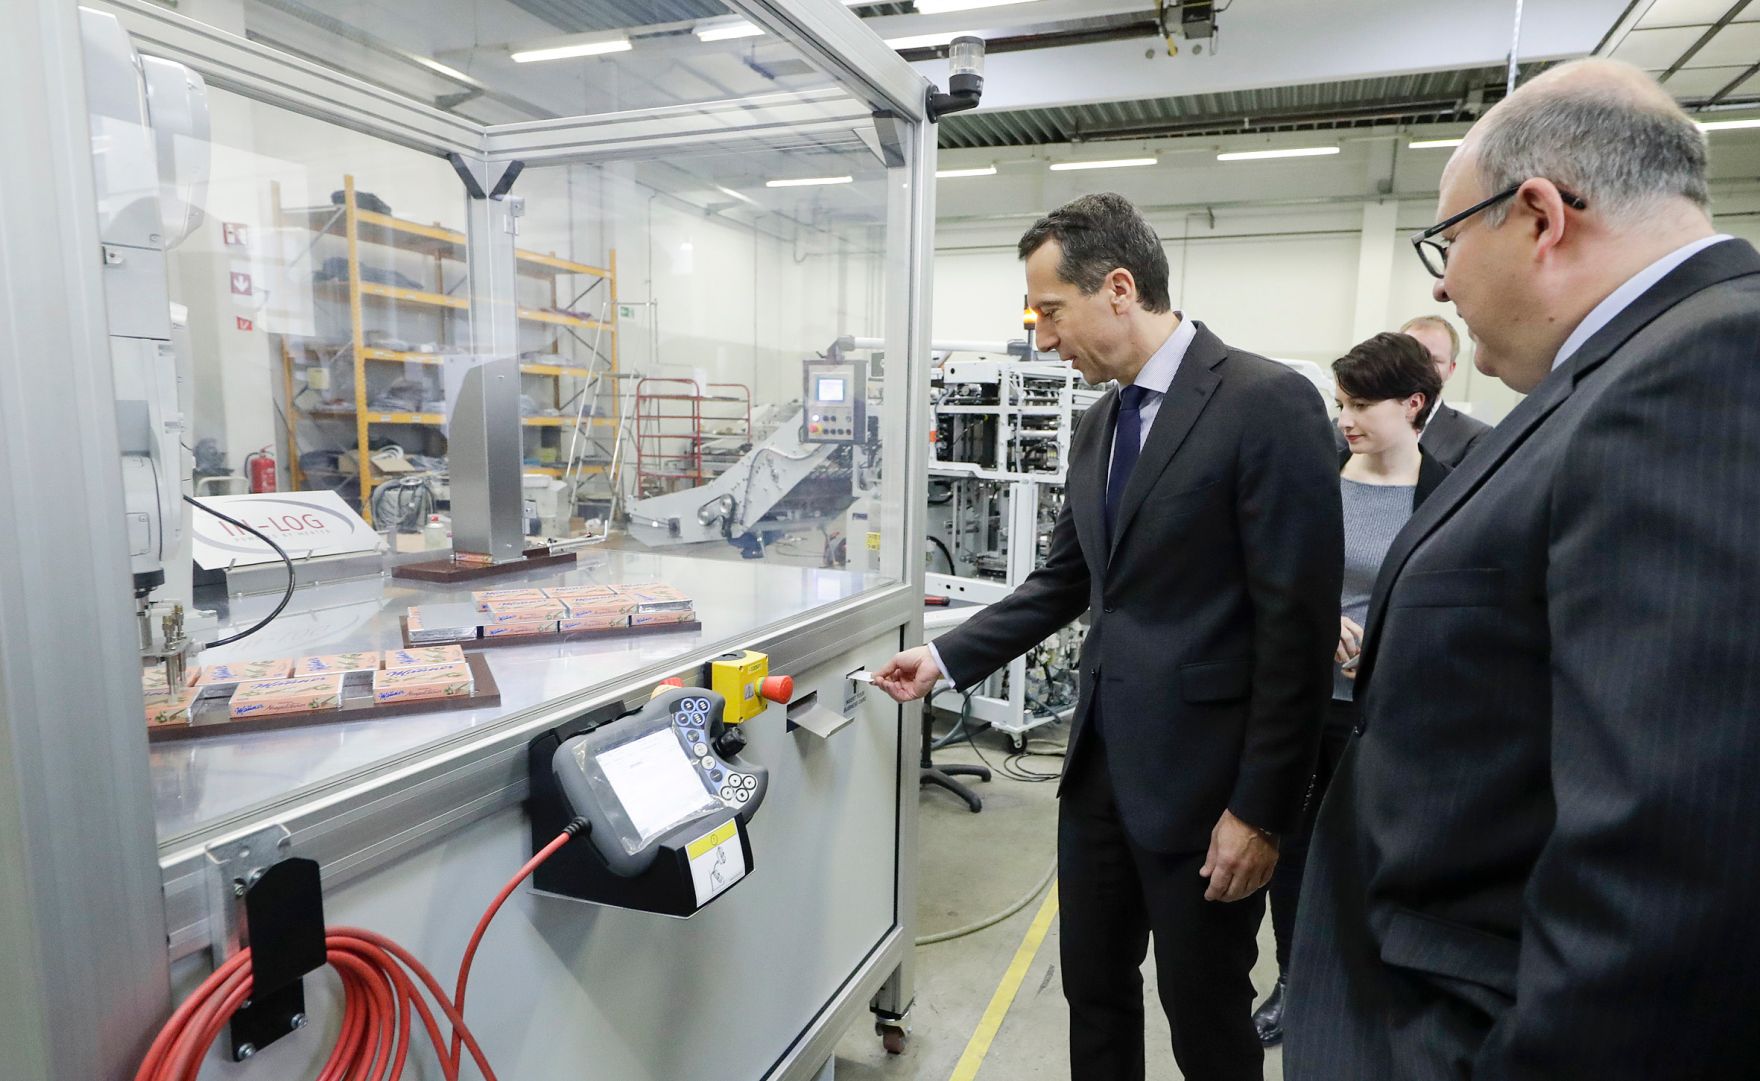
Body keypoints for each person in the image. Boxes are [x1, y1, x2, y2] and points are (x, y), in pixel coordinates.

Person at [1284, 58, 1760, 1080]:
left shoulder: (1701, 370)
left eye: (1447, 241)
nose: (1441, 283)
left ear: (1538, 216)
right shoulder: (1618, 373)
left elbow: (1670, 862)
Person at [873, 192, 1342, 1081]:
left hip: (1209, 789)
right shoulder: (1102, 421)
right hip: (1097, 775)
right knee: (1093, 991)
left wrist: (1262, 809)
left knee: (1204, 1010)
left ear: (1119, 288)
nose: (1043, 338)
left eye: (1051, 312)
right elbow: (1067, 580)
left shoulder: (1265, 401)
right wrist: (942, 658)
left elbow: (1298, 628)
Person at [1251, 331, 1448, 1047]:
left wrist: (1389, 644)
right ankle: (1295, 983)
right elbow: (1270, 572)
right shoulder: (1318, 475)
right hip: (1306, 707)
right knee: (1292, 853)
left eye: (1362, 404)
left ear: (1415, 403)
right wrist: (1318, 615)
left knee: (1375, 857)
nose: (1347, 419)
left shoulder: (1450, 491)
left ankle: (1368, 984)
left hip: (1387, 712)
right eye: (1342, 404)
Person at [1398, 314, 1492, 466]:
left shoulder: (1474, 436)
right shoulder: (1360, 420)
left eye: (1435, 361)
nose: (1421, 368)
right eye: (1411, 357)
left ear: (1451, 369)